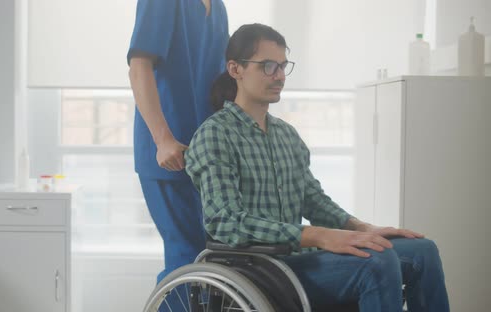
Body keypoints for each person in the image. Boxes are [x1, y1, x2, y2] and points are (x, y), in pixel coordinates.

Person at [185, 23, 450, 311]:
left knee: (424, 251)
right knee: (377, 262)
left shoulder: (286, 135)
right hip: (260, 270)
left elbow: (314, 202)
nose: (280, 76)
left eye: (284, 66)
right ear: (236, 69)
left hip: (300, 261)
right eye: (268, 66)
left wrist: (364, 228)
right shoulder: (215, 135)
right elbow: (226, 222)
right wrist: (319, 236)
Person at [127, 0, 229, 285]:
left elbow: (223, 81)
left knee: (211, 259)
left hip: (207, 155)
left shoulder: (218, 8)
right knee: (187, 259)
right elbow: (139, 68)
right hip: (169, 154)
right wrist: (163, 140)